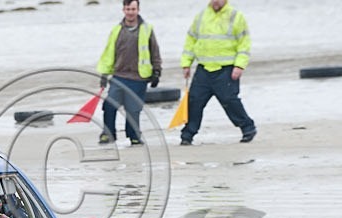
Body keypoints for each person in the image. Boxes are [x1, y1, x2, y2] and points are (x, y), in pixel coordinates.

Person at [179, 0, 257, 145]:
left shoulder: (236, 16)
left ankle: (248, 128)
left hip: (226, 69)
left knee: (229, 100)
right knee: (194, 101)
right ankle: (187, 135)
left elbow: (244, 43)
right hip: (204, 69)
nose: (215, 1)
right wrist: (186, 63)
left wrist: (239, 66)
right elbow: (191, 40)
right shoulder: (201, 16)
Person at [96, 0, 162, 146]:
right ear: (123, 10)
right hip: (119, 76)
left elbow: (155, 52)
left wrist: (157, 71)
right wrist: (104, 75)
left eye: (133, 9)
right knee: (109, 106)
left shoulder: (147, 29)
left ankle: (134, 136)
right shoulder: (116, 30)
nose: (130, 12)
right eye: (128, 9)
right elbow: (108, 54)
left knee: (133, 109)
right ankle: (108, 134)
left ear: (138, 10)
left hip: (139, 77)